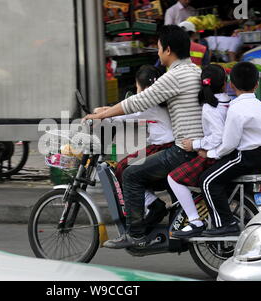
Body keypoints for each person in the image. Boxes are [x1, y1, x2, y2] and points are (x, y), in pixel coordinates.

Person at [83, 25, 203, 249]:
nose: (158, 54)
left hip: (183, 150)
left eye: (158, 49)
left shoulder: (174, 76)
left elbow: (138, 102)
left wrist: (105, 113)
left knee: (130, 174)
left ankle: (135, 234)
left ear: (168, 50)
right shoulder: (195, 71)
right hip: (197, 146)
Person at [198, 62, 261, 237]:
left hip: (245, 157)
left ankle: (225, 223)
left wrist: (211, 154)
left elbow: (229, 143)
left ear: (231, 84)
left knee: (207, 181)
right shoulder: (260, 106)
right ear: (257, 84)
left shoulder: (236, 108)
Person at [95, 65, 175, 224]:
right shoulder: (162, 101)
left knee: (122, 169)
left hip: (164, 148)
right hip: (168, 147)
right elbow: (126, 109)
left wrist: (102, 115)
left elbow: (126, 112)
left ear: (144, 88)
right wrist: (106, 110)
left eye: (137, 86)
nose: (137, 90)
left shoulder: (148, 104)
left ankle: (153, 206)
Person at [167, 64, 230, 239]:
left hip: (212, 155)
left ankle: (195, 220)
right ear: (225, 83)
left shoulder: (210, 107)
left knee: (173, 178)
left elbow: (217, 137)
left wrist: (195, 144)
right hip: (225, 154)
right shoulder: (228, 102)